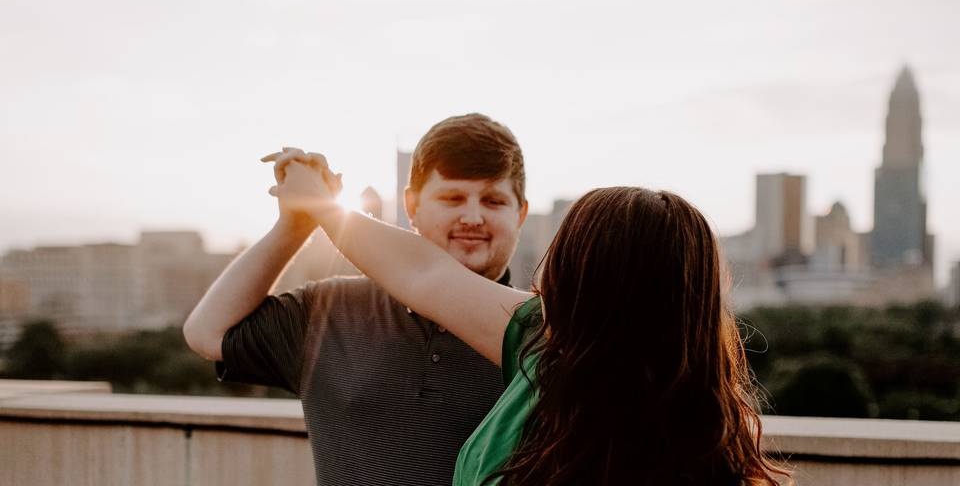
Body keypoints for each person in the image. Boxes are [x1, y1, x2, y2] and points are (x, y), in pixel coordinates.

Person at [269, 151, 793, 485]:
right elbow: (420, 273)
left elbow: (421, 273)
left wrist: (316, 204)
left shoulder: (542, 343)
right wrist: (319, 204)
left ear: (572, 272)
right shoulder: (714, 437)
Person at [183, 113, 530, 486]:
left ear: (520, 213)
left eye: (493, 201)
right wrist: (296, 226)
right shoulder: (329, 310)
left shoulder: (541, 334)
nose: (473, 217)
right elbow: (206, 333)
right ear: (411, 206)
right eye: (453, 198)